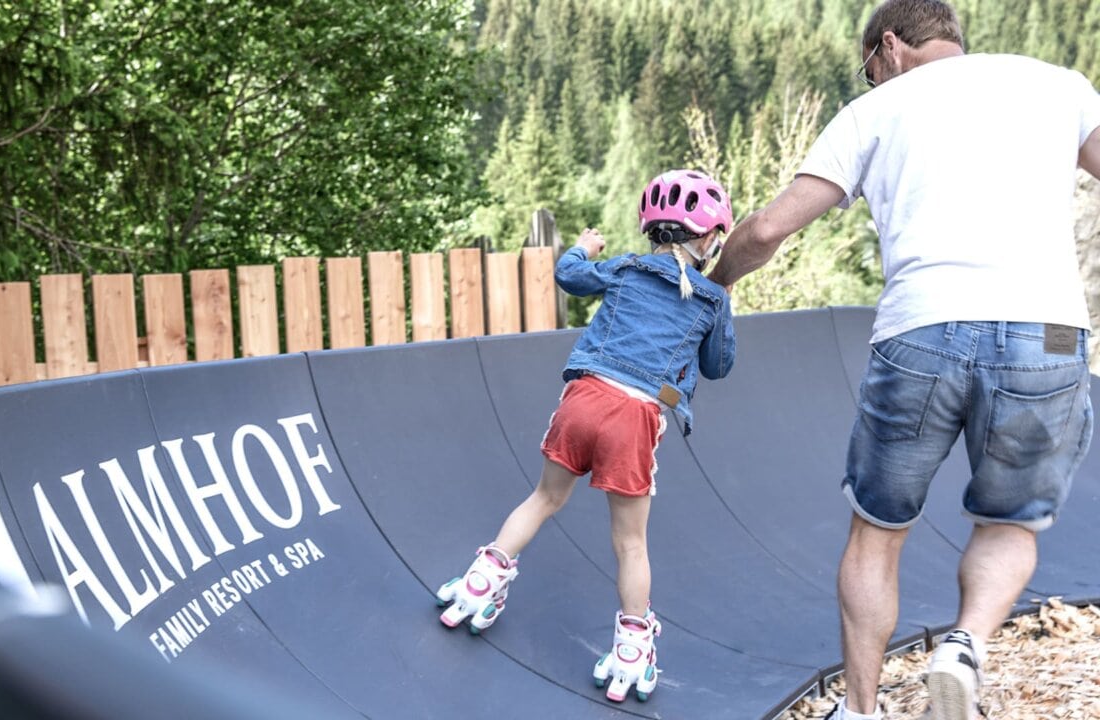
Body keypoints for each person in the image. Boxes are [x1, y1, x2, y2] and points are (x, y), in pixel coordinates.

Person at [705, 1, 1100, 718]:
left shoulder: (876, 109)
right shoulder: (1060, 86)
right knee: (1009, 525)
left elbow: (767, 228)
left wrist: (713, 285)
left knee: (877, 532)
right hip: (1045, 333)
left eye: (868, 67)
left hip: (924, 331)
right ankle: (965, 645)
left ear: (888, 46)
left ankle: (860, 711)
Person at [435, 169, 736, 703]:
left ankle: (479, 582)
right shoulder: (711, 299)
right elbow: (718, 366)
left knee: (545, 497)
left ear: (653, 228)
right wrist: (722, 301)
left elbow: (570, 276)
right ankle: (630, 648)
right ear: (709, 238)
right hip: (635, 417)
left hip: (584, 399)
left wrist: (581, 246)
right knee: (631, 542)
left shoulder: (624, 267)